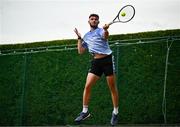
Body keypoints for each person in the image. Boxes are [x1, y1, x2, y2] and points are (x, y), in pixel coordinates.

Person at [74, 13, 119, 126]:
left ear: (98, 22)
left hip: (107, 60)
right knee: (87, 86)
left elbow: (105, 36)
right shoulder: (86, 36)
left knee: (112, 88)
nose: (94, 20)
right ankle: (85, 112)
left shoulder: (100, 31)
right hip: (96, 62)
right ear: (89, 21)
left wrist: (106, 30)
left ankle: (115, 112)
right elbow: (80, 51)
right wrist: (79, 38)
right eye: (92, 19)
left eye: (96, 19)